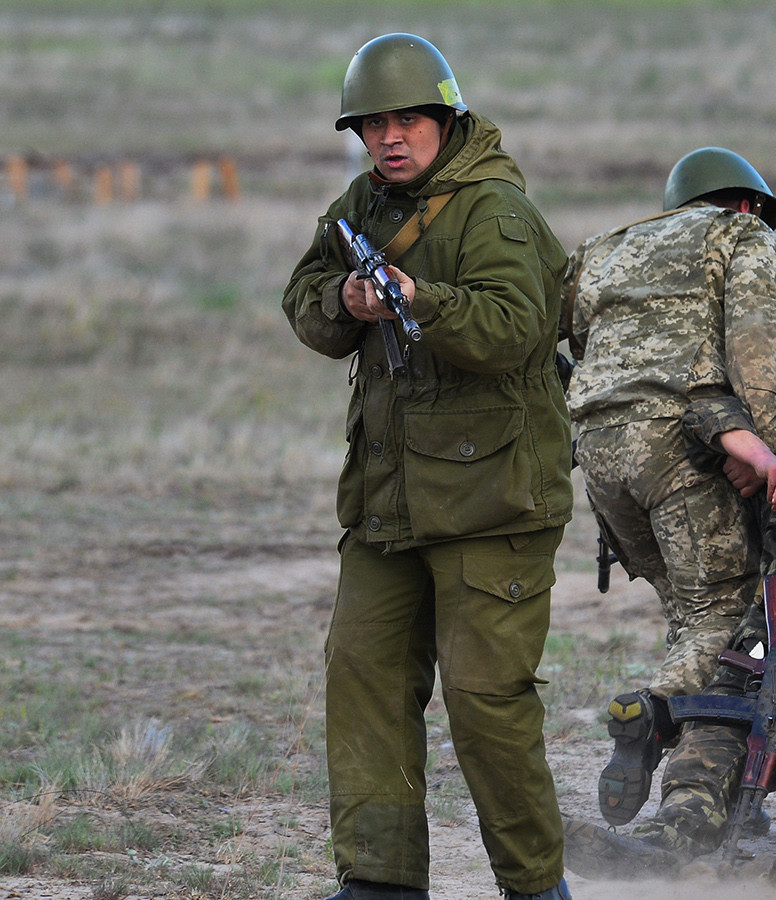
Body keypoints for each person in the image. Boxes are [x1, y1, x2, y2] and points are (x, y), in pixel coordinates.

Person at [282, 33, 572, 900]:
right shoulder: (361, 205)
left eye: (406, 119)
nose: (388, 138)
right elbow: (303, 294)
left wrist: (417, 297)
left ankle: (534, 888)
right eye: (372, 125)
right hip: (388, 504)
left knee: (487, 704)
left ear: (444, 119)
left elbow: (515, 327)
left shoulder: (497, 212)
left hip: (494, 505)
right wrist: (348, 298)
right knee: (362, 679)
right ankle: (379, 882)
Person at [561, 395, 776, 881]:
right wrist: (767, 462)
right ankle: (663, 842)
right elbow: (700, 418)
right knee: (703, 754)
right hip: (754, 657)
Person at [559, 147, 776, 827]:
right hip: (686, 446)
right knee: (725, 617)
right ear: (749, 203)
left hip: (600, 451)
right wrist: (758, 444)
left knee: (693, 618)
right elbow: (755, 345)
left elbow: (553, 337)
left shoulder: (607, 249)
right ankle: (658, 716)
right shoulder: (742, 236)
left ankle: (719, 775)